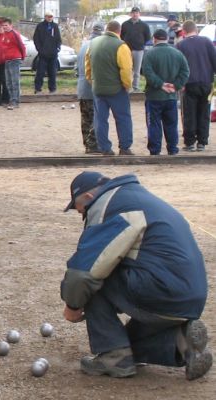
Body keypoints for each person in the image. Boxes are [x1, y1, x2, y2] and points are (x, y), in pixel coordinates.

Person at [61, 171, 212, 380]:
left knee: (93, 278)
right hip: (189, 296)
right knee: (125, 344)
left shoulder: (111, 206)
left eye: (82, 212)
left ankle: (114, 358)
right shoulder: (138, 198)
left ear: (87, 198)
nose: (84, 216)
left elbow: (84, 273)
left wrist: (73, 306)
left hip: (162, 290)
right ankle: (180, 342)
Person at [86, 20, 134, 156]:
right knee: (123, 118)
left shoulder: (93, 43)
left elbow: (87, 66)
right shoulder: (121, 46)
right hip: (117, 89)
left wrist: (92, 81)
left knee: (100, 119)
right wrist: (127, 85)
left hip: (98, 88)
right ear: (119, 31)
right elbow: (126, 69)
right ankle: (124, 147)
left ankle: (105, 148)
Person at [142, 29, 189, 156]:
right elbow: (185, 71)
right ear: (167, 38)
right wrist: (176, 85)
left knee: (154, 124)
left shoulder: (149, 54)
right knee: (171, 124)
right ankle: (172, 149)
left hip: (154, 96)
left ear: (154, 39)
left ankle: (155, 150)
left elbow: (147, 73)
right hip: (171, 96)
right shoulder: (177, 53)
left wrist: (161, 84)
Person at [177, 20, 216, 152]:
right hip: (206, 82)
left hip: (189, 83)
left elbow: (179, 67)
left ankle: (189, 142)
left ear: (184, 31)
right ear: (196, 30)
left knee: (189, 113)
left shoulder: (180, 45)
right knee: (204, 112)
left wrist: (179, 82)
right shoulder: (207, 42)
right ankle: (202, 142)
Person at [76, 22, 102, 154]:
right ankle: (92, 145)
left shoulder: (83, 46)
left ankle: (87, 143)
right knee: (95, 117)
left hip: (81, 87)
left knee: (85, 118)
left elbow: (76, 68)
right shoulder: (97, 46)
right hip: (92, 87)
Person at [121, 6, 150, 92]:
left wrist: (140, 43)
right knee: (127, 69)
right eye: (133, 13)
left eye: (136, 13)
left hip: (139, 50)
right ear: (131, 14)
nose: (135, 14)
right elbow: (122, 36)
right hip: (127, 50)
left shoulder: (144, 25)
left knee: (137, 70)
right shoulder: (125, 24)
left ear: (139, 14)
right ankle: (128, 87)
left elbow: (147, 38)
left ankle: (136, 87)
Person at [33, 10, 61, 94]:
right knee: (40, 72)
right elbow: (36, 39)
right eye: (48, 16)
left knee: (52, 72)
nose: (50, 18)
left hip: (53, 54)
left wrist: (58, 48)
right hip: (43, 54)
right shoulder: (40, 26)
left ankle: (52, 89)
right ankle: (38, 89)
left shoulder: (55, 26)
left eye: (51, 16)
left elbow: (58, 39)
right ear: (45, 17)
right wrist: (40, 50)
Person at [1, 18, 25, 110]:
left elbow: (21, 45)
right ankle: (11, 100)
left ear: (11, 25)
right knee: (8, 82)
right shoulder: (4, 35)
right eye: (3, 26)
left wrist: (22, 56)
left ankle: (16, 101)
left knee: (15, 81)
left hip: (15, 59)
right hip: (7, 60)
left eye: (6, 25)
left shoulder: (15, 34)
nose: (4, 27)